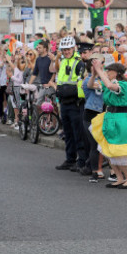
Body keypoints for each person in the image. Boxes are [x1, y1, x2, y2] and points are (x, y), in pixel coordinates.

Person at [89, 61, 127, 189]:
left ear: (116, 72)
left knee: (117, 151)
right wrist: (94, 74)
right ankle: (120, 178)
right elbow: (90, 85)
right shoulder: (111, 83)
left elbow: (110, 86)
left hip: (119, 119)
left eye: (109, 71)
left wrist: (99, 70)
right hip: (110, 117)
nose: (107, 73)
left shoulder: (122, 84)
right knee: (108, 150)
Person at [53, 36, 87, 173]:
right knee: (68, 133)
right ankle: (70, 159)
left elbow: (81, 83)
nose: (66, 51)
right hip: (64, 102)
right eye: (64, 49)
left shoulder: (79, 63)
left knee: (78, 133)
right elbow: (61, 81)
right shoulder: (63, 61)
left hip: (75, 103)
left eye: (68, 49)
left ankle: (81, 161)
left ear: (74, 48)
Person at [83, 53, 107, 182]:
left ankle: (100, 169)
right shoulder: (88, 79)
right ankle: (94, 171)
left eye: (100, 63)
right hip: (90, 115)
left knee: (101, 144)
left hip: (103, 114)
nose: (98, 66)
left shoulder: (106, 78)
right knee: (94, 144)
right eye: (95, 64)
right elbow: (90, 85)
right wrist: (94, 73)